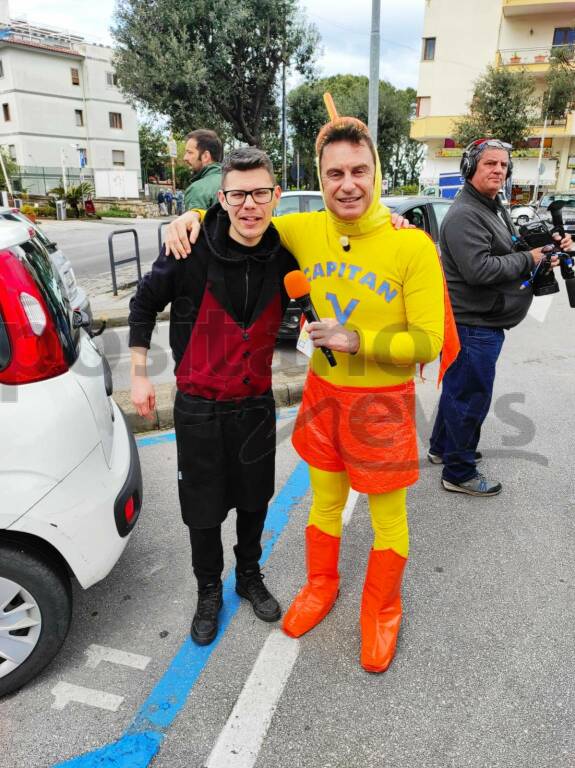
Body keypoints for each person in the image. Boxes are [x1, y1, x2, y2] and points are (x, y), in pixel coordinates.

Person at [164, 106, 459, 673]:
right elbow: (244, 210)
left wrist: (359, 339)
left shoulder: (412, 246)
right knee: (323, 503)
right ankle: (322, 586)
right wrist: (192, 216)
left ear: (376, 173)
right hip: (324, 395)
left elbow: (427, 342)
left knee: (387, 518)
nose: (347, 185)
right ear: (319, 178)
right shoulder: (300, 228)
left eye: (358, 171)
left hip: (381, 402)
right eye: (334, 174)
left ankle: (381, 610)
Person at [129, 147, 299, 646]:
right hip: (199, 406)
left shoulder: (286, 255)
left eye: (260, 193)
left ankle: (248, 575)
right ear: (222, 198)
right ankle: (209, 589)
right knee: (201, 509)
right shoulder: (190, 248)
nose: (250, 205)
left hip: (255, 405)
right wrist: (139, 374)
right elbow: (143, 302)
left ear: (276, 197)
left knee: (254, 500)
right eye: (239, 194)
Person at [428, 138, 573, 497]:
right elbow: (480, 270)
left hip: (481, 322)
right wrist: (531, 258)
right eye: (490, 163)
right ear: (470, 168)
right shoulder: (465, 215)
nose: (498, 170)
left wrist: (543, 249)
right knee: (470, 397)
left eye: (503, 166)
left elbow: (509, 246)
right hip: (473, 325)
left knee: (457, 391)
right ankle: (458, 472)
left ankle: (442, 448)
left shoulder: (492, 205)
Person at [183, 129, 223, 211]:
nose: (185, 158)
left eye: (190, 152)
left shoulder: (197, 189)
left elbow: (193, 222)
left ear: (205, 156)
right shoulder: (233, 182)